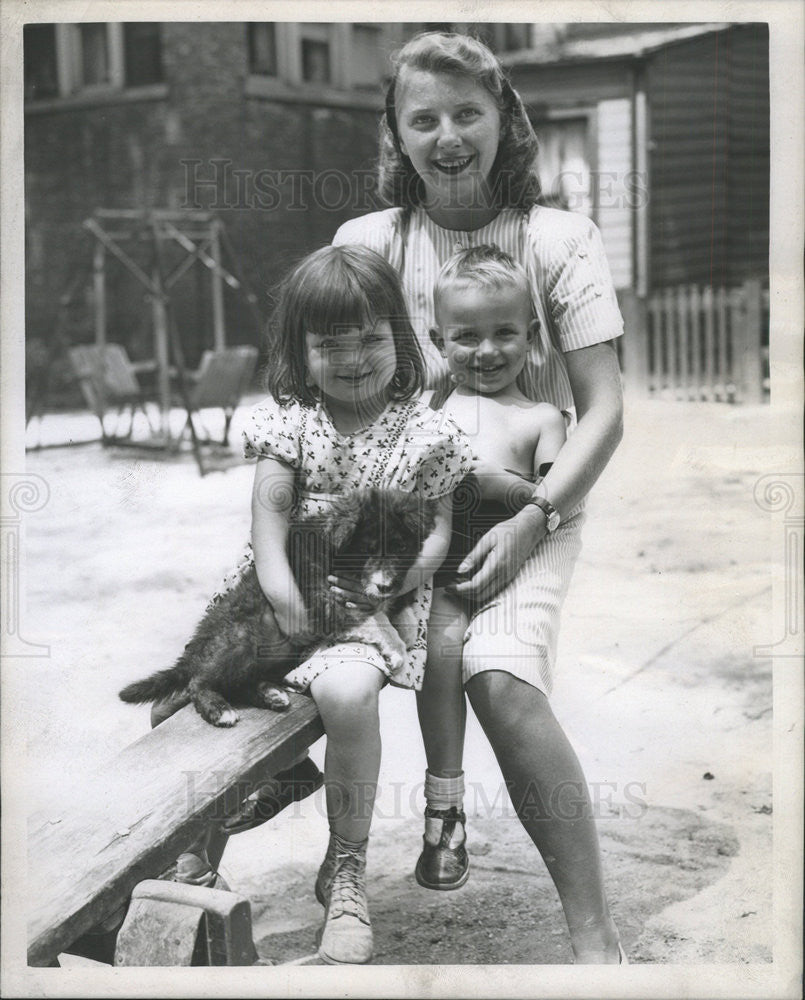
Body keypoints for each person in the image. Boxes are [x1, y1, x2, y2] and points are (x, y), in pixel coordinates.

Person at [331, 31, 627, 963]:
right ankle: (346, 876)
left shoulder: (558, 238)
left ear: (506, 120)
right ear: (397, 133)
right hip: (404, 511)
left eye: (468, 112)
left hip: (527, 509)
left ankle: (595, 943)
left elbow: (604, 411)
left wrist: (535, 516)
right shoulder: (369, 243)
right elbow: (334, 385)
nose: (448, 136)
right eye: (424, 118)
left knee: (498, 678)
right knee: (309, 662)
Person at [201, 243, 471, 965]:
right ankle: (191, 861)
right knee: (211, 685)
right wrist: (284, 602)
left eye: (371, 338)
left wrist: (389, 585)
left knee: (349, 692)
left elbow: (437, 532)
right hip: (284, 590)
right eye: (330, 343)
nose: (353, 358)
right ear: (299, 349)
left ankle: (344, 868)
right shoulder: (288, 427)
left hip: (367, 605)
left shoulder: (424, 433)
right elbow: (268, 522)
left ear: (400, 339)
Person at [413, 244, 568, 892]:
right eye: (465, 336)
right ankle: (443, 809)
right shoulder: (431, 413)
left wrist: (496, 484)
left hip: (510, 568)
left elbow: (551, 496)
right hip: (443, 569)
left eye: (504, 332)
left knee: (497, 676)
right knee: (439, 652)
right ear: (437, 340)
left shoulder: (541, 418)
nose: (485, 350)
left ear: (531, 337)